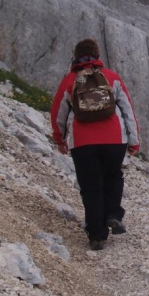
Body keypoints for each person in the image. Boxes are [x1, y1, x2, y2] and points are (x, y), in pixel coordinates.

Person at [51, 38, 140, 251]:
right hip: (114, 139)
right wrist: (134, 141)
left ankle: (97, 236)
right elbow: (128, 110)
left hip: (82, 142)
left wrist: (59, 138)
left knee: (91, 187)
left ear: (76, 56)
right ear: (97, 56)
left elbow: (58, 113)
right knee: (113, 176)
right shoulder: (111, 77)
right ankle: (113, 214)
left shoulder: (70, 80)